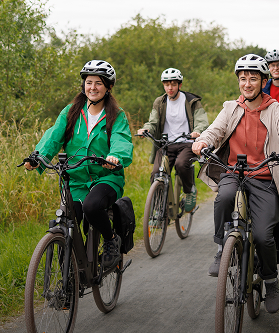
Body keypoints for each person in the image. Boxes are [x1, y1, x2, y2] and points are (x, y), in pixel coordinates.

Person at [192, 54, 279, 313]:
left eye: (253, 78)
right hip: (234, 172)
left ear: (263, 81)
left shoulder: (277, 109)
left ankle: (271, 281)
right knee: (224, 198)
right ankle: (222, 247)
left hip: (264, 176)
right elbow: (214, 130)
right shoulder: (231, 108)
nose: (247, 83)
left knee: (264, 237)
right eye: (243, 79)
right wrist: (203, 142)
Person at [25, 60, 133, 269]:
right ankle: (70, 278)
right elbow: (53, 137)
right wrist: (37, 157)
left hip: (106, 178)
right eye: (89, 82)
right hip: (75, 179)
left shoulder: (116, 116)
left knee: (92, 206)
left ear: (108, 87)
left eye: (98, 83)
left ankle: (111, 240)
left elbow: (121, 139)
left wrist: (115, 157)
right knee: (67, 218)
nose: (92, 87)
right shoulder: (71, 111)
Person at [137, 68, 209, 212]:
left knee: (181, 164)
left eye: (173, 84)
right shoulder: (160, 102)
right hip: (166, 144)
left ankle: (189, 191)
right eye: (166, 84)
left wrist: (197, 131)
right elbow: (153, 121)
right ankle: (158, 209)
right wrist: (146, 129)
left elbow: (201, 120)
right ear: (163, 85)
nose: (170, 88)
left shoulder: (191, 101)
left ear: (179, 85)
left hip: (187, 143)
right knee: (156, 173)